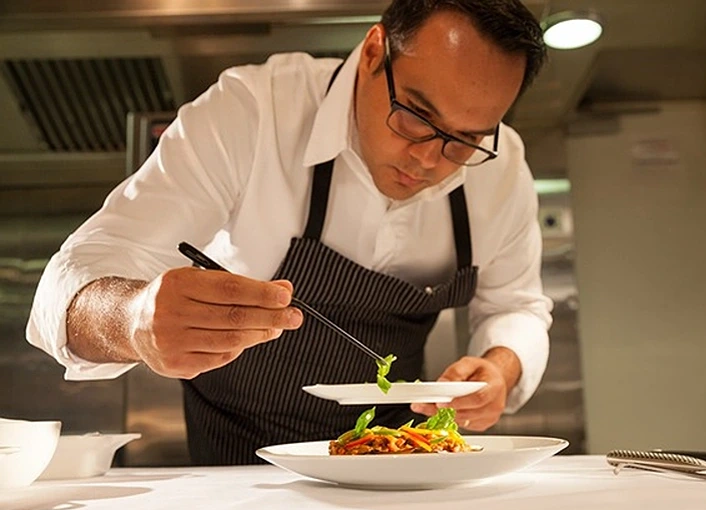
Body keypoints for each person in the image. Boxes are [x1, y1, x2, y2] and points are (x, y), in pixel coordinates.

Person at [27, 0, 553, 465]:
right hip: (237, 460)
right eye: (415, 116)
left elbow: (517, 306)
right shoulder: (253, 112)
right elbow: (68, 283)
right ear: (373, 52)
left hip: (396, 460)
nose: (429, 158)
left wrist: (499, 367)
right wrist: (133, 318)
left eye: (465, 140)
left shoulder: (501, 170)